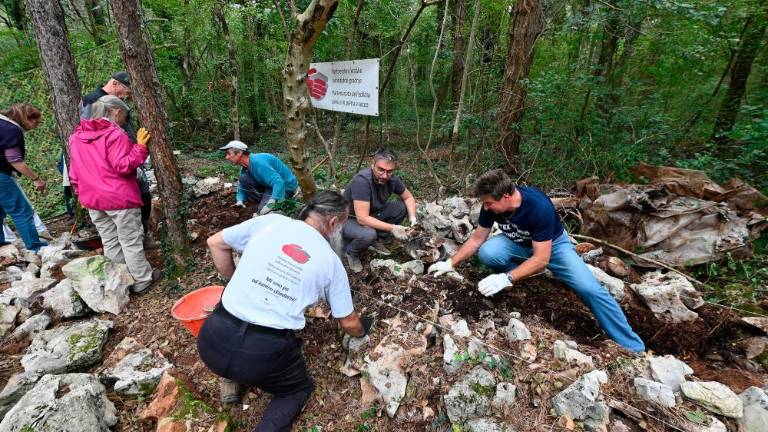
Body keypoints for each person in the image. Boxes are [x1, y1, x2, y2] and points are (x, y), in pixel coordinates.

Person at [198, 191, 371, 432]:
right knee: (297, 390)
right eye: (341, 225)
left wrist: (235, 279)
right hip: (263, 353)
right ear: (333, 223)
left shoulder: (270, 222)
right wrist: (363, 330)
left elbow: (215, 242)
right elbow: (349, 323)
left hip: (211, 339)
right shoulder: (330, 261)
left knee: (237, 350)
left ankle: (230, 378)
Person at [427, 169, 645, 353]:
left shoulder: (537, 206)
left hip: (553, 247)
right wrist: (450, 263)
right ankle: (523, 274)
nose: (485, 208)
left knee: (590, 289)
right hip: (517, 241)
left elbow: (542, 257)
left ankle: (632, 346)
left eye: (489, 203)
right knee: (488, 252)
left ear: (506, 197)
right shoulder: (490, 207)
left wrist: (506, 277)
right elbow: (476, 239)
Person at [68, 96, 161, 293]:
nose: (124, 120)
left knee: (110, 241)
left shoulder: (75, 138)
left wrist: (81, 194)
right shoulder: (114, 134)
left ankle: (120, 283)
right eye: (124, 116)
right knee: (131, 241)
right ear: (116, 112)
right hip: (119, 198)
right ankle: (142, 281)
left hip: (93, 200)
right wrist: (141, 148)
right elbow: (123, 166)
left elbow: (74, 173)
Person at [80, 71, 157, 249]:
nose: (127, 96)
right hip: (112, 164)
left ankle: (141, 235)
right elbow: (90, 134)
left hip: (130, 153)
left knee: (144, 194)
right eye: (126, 92)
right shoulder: (91, 101)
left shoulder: (115, 105)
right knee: (130, 202)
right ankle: (133, 244)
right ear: (115, 84)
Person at [341, 149, 418, 272]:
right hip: (348, 218)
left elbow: (408, 197)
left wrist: (413, 219)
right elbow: (362, 218)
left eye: (389, 171)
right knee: (369, 234)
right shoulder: (362, 181)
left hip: (371, 212)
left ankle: (378, 240)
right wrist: (393, 228)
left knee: (401, 208)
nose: (385, 175)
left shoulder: (392, 180)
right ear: (373, 165)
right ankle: (351, 252)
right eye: (381, 170)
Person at [0, 103, 48, 252]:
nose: (36, 125)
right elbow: (14, 159)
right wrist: (36, 178)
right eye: (35, 122)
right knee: (22, 211)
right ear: (26, 118)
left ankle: (1, 246)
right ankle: (35, 248)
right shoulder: (11, 130)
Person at [219, 140, 298, 215]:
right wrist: (240, 200)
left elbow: (279, 182)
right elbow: (241, 186)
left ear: (239, 152)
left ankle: (279, 208)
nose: (227, 157)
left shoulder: (258, 162)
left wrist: (272, 203)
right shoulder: (245, 167)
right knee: (244, 178)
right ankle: (262, 203)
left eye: (229, 154)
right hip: (269, 186)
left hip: (286, 188)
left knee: (264, 213)